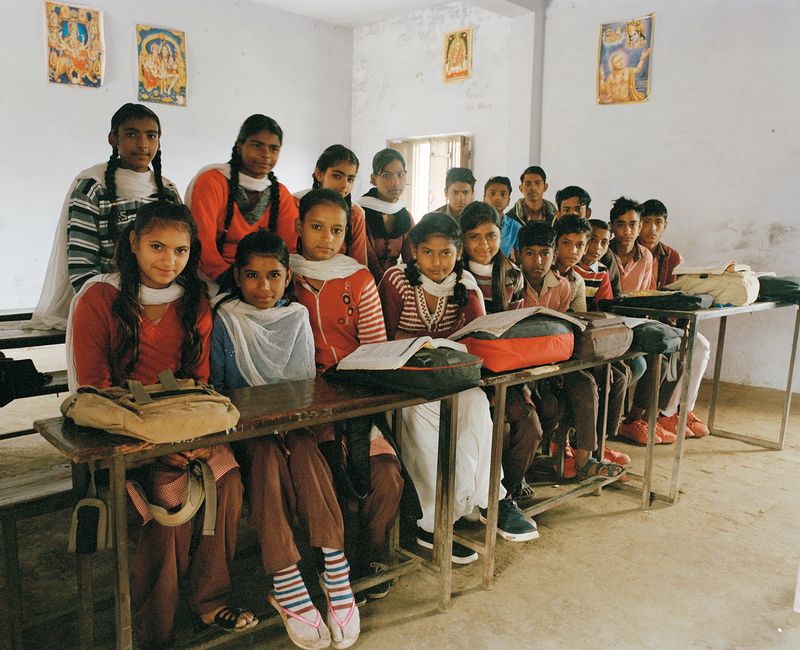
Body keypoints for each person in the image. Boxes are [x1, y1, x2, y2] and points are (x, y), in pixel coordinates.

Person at [67, 201, 255, 645]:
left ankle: (209, 600)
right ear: (132, 244)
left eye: (181, 251)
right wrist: (160, 444)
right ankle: (155, 627)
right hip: (120, 438)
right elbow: (94, 389)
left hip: (185, 431)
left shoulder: (195, 301)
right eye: (156, 246)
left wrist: (196, 439)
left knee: (226, 479)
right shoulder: (99, 297)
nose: (168, 261)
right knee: (168, 501)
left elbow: (201, 383)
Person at [210, 230, 358, 650]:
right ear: (237, 277)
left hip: (295, 425)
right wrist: (261, 427)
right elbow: (218, 392)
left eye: (273, 275)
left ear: (287, 275)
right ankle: (286, 579)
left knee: (308, 452)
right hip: (243, 433)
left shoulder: (296, 316)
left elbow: (306, 385)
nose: (263, 287)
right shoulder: (226, 320)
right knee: (266, 457)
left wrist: (291, 427)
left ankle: (334, 567)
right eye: (252, 276)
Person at [380, 212, 536, 558]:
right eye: (428, 253)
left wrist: (432, 342)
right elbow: (386, 337)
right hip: (404, 381)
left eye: (446, 253)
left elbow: (480, 337)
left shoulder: (465, 284)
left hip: (450, 377)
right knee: (422, 419)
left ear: (458, 253)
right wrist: (433, 342)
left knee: (478, 406)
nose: (437, 263)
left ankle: (485, 500)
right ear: (413, 252)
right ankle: (430, 524)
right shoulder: (396, 280)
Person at [290, 189, 404, 604]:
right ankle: (328, 563)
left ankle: (369, 555)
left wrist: (351, 392)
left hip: (355, 397)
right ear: (298, 227)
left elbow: (373, 350)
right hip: (301, 405)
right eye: (316, 227)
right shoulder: (282, 276)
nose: (326, 237)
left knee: (387, 477)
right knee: (325, 477)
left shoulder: (358, 278)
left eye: (336, 230)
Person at [31, 103, 180, 330]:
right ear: (113, 138)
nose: (142, 144)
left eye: (151, 136)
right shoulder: (92, 188)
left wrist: (160, 303)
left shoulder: (167, 192)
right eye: (131, 134)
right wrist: (125, 307)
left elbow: (180, 256)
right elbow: (82, 268)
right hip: (108, 305)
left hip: (163, 303)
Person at [517, 221, 626, 480]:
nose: (538, 260)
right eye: (530, 253)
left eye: (545, 253)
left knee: (587, 383)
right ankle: (537, 459)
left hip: (553, 362)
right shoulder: (513, 282)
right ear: (518, 254)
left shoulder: (563, 286)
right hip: (521, 365)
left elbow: (567, 327)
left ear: (553, 255)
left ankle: (585, 459)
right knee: (548, 405)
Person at [460, 202, 542, 520]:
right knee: (497, 428)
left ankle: (506, 492)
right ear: (462, 239)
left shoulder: (512, 275)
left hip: (503, 369)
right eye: (474, 237)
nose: (484, 245)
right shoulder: (455, 275)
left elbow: (515, 330)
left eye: (491, 235)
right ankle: (485, 495)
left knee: (531, 427)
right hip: (468, 371)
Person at [554, 215, 631, 468]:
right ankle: (574, 451)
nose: (573, 251)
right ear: (555, 244)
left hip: (569, 348)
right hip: (550, 354)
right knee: (588, 383)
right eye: (566, 243)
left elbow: (579, 322)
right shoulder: (545, 273)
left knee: (617, 374)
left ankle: (595, 449)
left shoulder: (576, 280)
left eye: (579, 245)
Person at [186, 114, 299, 283]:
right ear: (239, 146)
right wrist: (237, 283)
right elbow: (201, 244)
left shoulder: (281, 193)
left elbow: (289, 250)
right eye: (257, 145)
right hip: (213, 280)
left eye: (273, 149)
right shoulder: (211, 182)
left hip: (265, 283)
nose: (266, 155)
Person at [638, 199, 710, 438]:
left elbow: (679, 296)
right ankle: (660, 414)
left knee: (700, 345)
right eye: (646, 222)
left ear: (665, 225)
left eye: (658, 222)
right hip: (642, 321)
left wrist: (682, 325)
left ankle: (680, 411)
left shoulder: (673, 258)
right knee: (671, 349)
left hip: (668, 322)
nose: (651, 228)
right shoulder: (630, 250)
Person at [293, 144, 368, 265]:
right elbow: (287, 255)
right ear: (319, 174)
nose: (344, 185)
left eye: (350, 179)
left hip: (342, 278)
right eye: (337, 176)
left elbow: (358, 263)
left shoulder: (356, 214)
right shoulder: (295, 203)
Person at [553, 185, 622, 297]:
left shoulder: (605, 255)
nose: (573, 214)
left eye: (578, 209)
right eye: (566, 210)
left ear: (588, 213)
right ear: (558, 214)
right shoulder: (549, 243)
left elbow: (613, 295)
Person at [357, 148, 415, 283]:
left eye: (400, 174)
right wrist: (387, 285)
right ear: (373, 179)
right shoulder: (359, 213)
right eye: (387, 175)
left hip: (395, 284)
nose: (395, 182)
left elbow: (411, 259)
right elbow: (367, 259)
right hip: (363, 284)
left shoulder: (405, 215)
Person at [500, 166, 557, 257]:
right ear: (521, 188)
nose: (533, 188)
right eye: (528, 184)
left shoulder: (556, 217)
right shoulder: (510, 219)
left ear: (545, 187)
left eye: (537, 183)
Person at [608, 196, 653, 293]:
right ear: (611, 226)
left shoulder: (646, 256)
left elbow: (641, 295)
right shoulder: (602, 253)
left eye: (632, 225)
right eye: (620, 225)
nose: (627, 231)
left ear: (640, 227)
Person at [574, 219, 614, 308]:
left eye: (604, 242)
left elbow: (604, 306)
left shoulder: (602, 272)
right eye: (592, 239)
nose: (597, 247)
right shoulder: (570, 264)